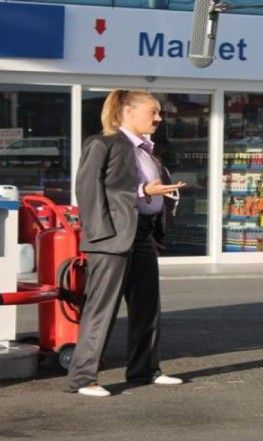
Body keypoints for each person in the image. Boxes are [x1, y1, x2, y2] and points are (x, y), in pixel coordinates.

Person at [67, 89, 186, 398]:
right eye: (153, 112)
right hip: (111, 238)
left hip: (142, 235)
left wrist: (156, 212)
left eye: (159, 112)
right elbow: (88, 190)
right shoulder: (103, 144)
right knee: (101, 309)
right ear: (128, 112)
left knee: (147, 308)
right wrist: (101, 234)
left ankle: (145, 370)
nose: (158, 118)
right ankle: (83, 378)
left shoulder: (148, 151)